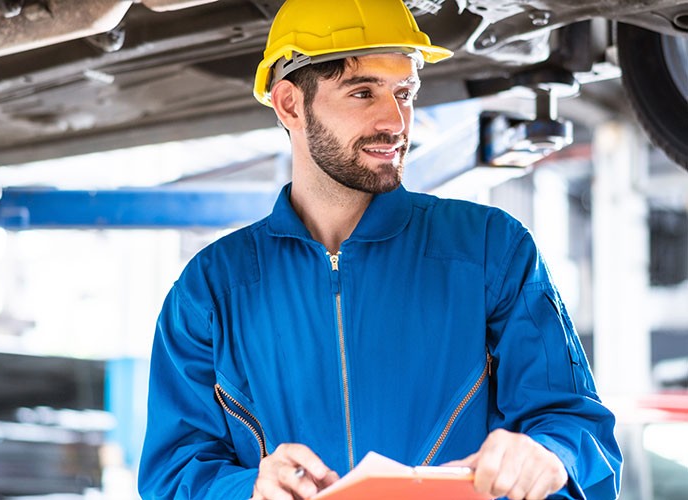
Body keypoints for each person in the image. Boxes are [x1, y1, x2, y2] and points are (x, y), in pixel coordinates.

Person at [138, 1, 622, 499]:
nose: (395, 121)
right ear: (289, 104)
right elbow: (172, 476)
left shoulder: (489, 250)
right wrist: (249, 489)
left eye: (405, 92)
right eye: (363, 92)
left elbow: (575, 427)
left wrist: (550, 455)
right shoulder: (211, 289)